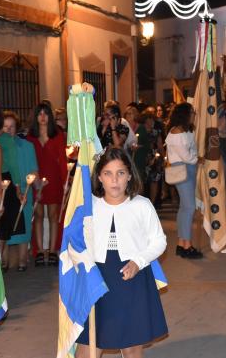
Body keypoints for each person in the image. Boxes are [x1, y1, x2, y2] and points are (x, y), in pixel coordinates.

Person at [75, 147, 167, 358]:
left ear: (129, 176)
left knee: (131, 343)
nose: (114, 180)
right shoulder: (89, 208)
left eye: (120, 173)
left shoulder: (142, 205)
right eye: (108, 173)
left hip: (132, 277)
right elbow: (75, 242)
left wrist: (138, 261)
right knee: (90, 343)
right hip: (97, 277)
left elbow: (159, 241)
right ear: (99, 177)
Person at [26, 103, 68, 267]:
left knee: (52, 215)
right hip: (36, 180)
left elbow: (62, 162)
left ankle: (52, 251)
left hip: (54, 180)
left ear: (50, 117)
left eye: (45, 113)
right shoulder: (30, 137)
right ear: (35, 117)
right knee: (38, 215)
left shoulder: (57, 135)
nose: (42, 116)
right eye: (39, 114)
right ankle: (40, 251)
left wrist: (65, 182)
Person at [165, 103, 203, 259]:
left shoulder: (186, 130)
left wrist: (194, 158)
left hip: (189, 168)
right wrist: (197, 158)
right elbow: (186, 156)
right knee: (189, 207)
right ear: (184, 114)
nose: (194, 114)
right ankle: (187, 245)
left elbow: (191, 151)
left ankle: (181, 244)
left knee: (184, 207)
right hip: (182, 169)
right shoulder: (176, 133)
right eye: (191, 112)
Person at [2, 111, 38, 272]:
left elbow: (33, 168)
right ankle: (4, 261)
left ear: (16, 128)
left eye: (12, 127)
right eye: (5, 127)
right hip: (5, 190)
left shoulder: (27, 146)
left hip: (24, 188)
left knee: (24, 225)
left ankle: (23, 260)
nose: (8, 130)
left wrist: (34, 181)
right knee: (5, 227)